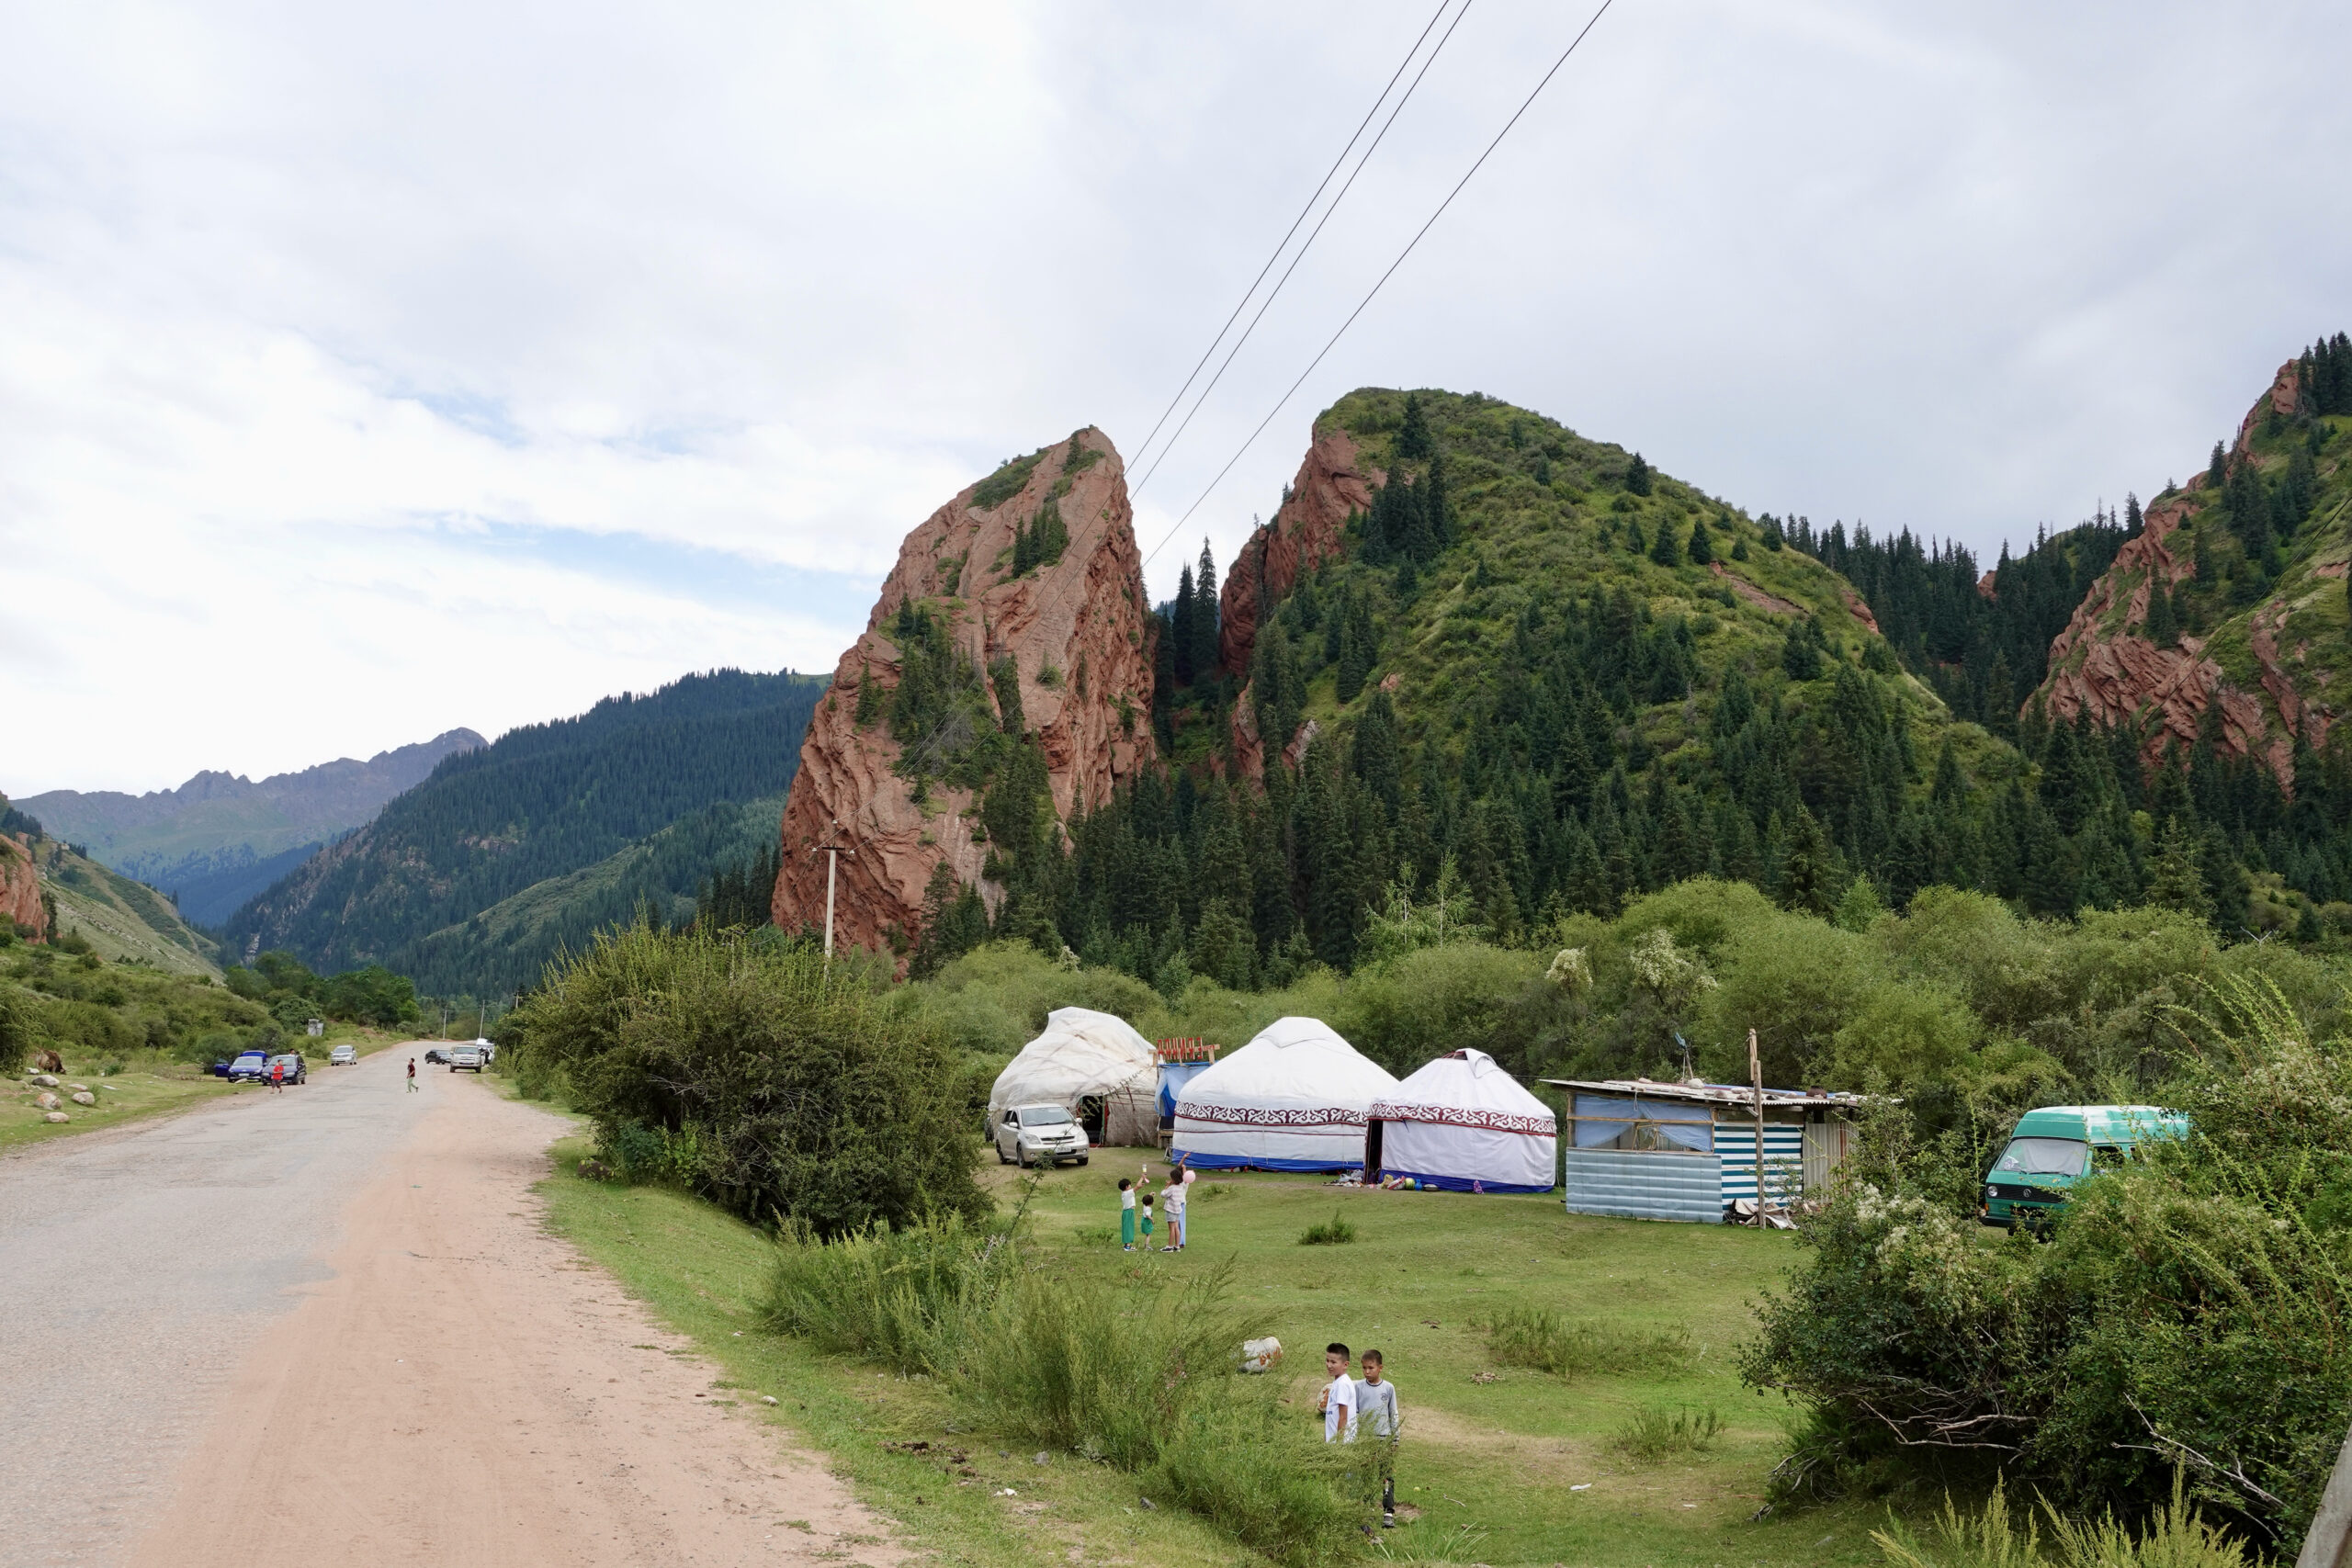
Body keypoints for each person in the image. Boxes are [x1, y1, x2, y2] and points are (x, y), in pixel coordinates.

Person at [1356, 1349, 1400, 1527]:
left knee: (1386, 1475)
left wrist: (1395, 1439)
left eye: (1371, 1368)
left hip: (1384, 1439)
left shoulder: (1388, 1388)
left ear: (1380, 1368)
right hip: (1366, 1440)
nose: (1367, 1372)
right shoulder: (1357, 1387)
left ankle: (1388, 1511)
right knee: (1366, 1474)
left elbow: (1393, 1413)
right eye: (1364, 1368)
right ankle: (1366, 1508)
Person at [1317, 1342, 1356, 1444]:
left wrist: (1338, 1445)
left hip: (1342, 1443)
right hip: (1333, 1442)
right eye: (1327, 1361)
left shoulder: (1342, 1384)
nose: (1329, 1365)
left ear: (1345, 1364)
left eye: (1333, 1362)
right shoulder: (1337, 1382)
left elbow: (1343, 1417)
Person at [1160, 1171, 1186, 1251]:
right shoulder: (1180, 1187)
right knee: (1176, 1228)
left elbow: (1163, 1194)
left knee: (1171, 1229)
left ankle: (1170, 1246)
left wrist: (1167, 1186)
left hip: (1171, 1210)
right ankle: (1177, 1246)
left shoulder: (1172, 1188)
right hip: (1178, 1210)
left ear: (1174, 1179)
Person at [1118, 1178, 1136, 1250]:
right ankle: (1128, 1246)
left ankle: (1127, 1244)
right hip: (1129, 1212)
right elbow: (1137, 1187)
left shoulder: (1124, 1193)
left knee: (1127, 1228)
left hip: (1127, 1212)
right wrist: (1142, 1178)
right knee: (1129, 1228)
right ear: (1126, 1187)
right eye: (1129, 1185)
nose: (1131, 1186)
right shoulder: (1127, 1193)